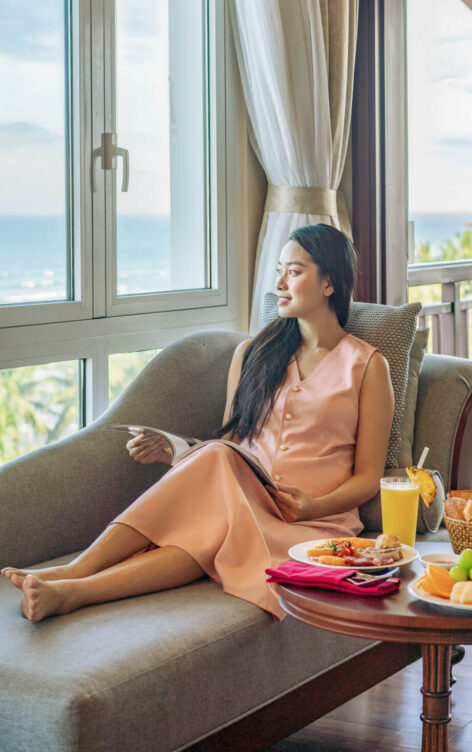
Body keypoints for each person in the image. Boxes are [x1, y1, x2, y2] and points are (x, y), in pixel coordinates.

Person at [2, 224, 394, 623]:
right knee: (215, 480)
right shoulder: (253, 354)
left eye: (293, 272)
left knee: (206, 531)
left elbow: (368, 477)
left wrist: (312, 507)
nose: (278, 283)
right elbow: (231, 443)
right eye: (280, 270)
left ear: (329, 282)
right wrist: (172, 449)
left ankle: (74, 585)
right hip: (244, 495)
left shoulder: (368, 366)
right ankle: (70, 584)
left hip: (313, 524)